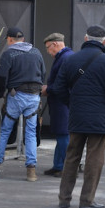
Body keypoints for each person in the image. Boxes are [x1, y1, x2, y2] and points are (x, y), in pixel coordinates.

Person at [50, 25, 105, 208]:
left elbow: (58, 88)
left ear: (85, 39)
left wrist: (71, 103)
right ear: (104, 41)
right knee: (94, 159)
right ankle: (87, 200)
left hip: (76, 116)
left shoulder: (71, 60)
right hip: (100, 118)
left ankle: (64, 198)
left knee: (72, 157)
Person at [0, 27, 46, 182]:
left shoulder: (8, 54)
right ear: (23, 39)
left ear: (9, 39)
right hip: (34, 96)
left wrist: (0, 94)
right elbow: (43, 73)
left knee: (6, 129)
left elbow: (1, 77)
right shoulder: (36, 52)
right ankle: (31, 171)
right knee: (30, 133)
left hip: (16, 95)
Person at [41, 32, 74, 178]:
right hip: (60, 102)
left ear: (55, 44)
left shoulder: (65, 58)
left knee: (63, 135)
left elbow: (62, 84)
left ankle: (65, 167)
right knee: (61, 135)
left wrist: (48, 89)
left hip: (62, 103)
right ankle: (58, 165)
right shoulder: (65, 57)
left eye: (48, 48)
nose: (48, 52)